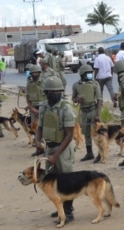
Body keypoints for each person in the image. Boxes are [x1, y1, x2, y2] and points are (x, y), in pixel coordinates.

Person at [36, 76, 76, 224]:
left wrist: (56, 155)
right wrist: (37, 141)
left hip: (63, 149)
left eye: (57, 91)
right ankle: (60, 208)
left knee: (67, 182)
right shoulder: (44, 106)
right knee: (52, 182)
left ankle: (69, 212)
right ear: (46, 92)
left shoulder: (66, 108)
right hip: (50, 148)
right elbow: (39, 126)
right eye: (51, 91)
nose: (54, 94)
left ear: (61, 92)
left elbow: (69, 135)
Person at [72, 64, 102, 162]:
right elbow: (73, 99)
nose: (90, 74)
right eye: (88, 73)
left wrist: (98, 114)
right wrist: (77, 99)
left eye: (91, 73)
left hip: (93, 110)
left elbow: (99, 99)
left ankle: (100, 153)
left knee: (97, 133)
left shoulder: (95, 84)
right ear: (83, 74)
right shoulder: (76, 85)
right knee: (86, 133)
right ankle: (89, 153)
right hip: (84, 111)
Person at [26, 65, 46, 155]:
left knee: (45, 128)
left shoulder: (44, 82)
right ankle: (39, 149)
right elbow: (27, 98)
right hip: (33, 109)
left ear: (39, 73)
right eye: (33, 73)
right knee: (36, 129)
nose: (35, 74)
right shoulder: (29, 84)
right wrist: (31, 108)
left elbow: (48, 96)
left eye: (36, 72)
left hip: (44, 108)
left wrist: (43, 109)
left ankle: (47, 148)